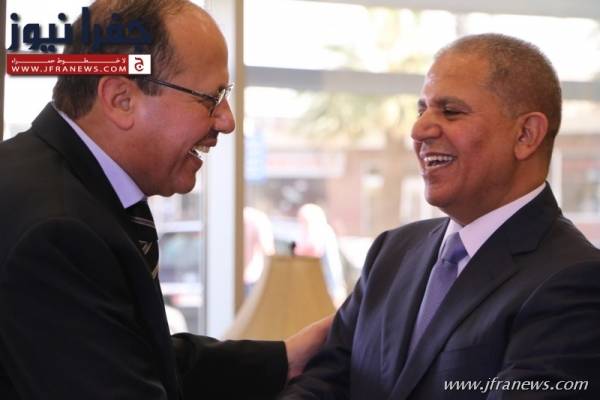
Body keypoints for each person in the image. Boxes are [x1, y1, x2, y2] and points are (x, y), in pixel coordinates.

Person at [0, 1, 331, 399]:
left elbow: (133, 353)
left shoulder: (58, 185)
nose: (227, 121)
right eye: (211, 97)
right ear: (121, 99)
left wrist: (285, 359)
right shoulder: (57, 230)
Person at [280, 33, 600, 399]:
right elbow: (325, 382)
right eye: (422, 111)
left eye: (450, 111)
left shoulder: (577, 280)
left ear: (526, 134)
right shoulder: (393, 250)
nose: (419, 131)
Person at [294, 203, 347, 306]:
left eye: (304, 220)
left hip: (324, 289)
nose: (302, 223)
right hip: (307, 289)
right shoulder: (302, 236)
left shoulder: (324, 235)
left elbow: (332, 265)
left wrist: (335, 291)